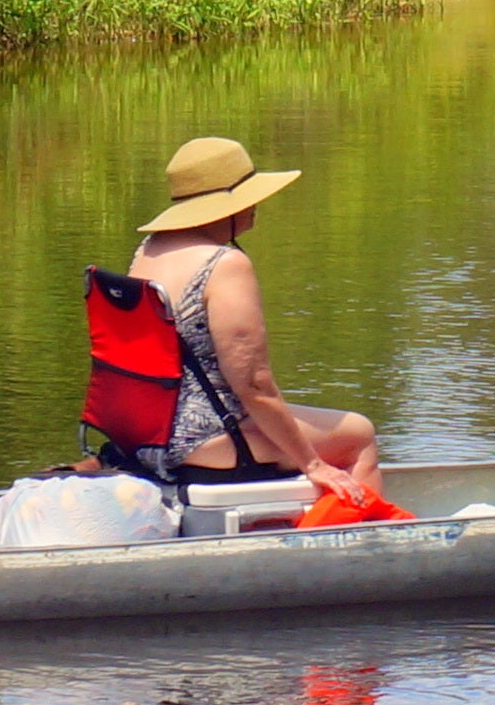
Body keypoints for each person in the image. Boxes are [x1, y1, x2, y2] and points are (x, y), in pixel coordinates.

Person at [124, 137, 385, 504]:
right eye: (249, 196)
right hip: (202, 442)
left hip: (147, 434)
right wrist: (312, 463)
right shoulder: (225, 264)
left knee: (301, 427)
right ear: (226, 207)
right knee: (359, 435)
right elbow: (253, 385)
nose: (257, 205)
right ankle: (360, 542)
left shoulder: (150, 250)